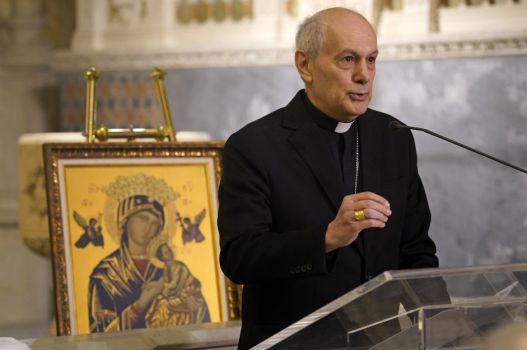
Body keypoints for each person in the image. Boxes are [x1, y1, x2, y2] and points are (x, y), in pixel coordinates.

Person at [218, 7, 440, 349]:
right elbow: (240, 259)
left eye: (372, 60)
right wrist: (327, 237)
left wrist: (445, 329)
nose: (364, 75)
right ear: (305, 65)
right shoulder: (254, 146)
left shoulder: (393, 136)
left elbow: (416, 251)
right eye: (348, 60)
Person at [88, 194, 165, 332]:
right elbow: (100, 336)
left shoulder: (167, 269)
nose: (148, 228)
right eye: (143, 219)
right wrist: (140, 305)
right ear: (125, 221)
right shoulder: (106, 275)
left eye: (154, 224)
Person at [145, 241, 210, 327]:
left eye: (169, 250)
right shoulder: (166, 268)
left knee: (163, 305)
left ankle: (158, 327)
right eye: (166, 252)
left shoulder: (178, 266)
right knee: (158, 302)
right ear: (161, 257)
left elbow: (175, 287)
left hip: (185, 295)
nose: (169, 253)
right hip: (174, 295)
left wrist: (159, 287)